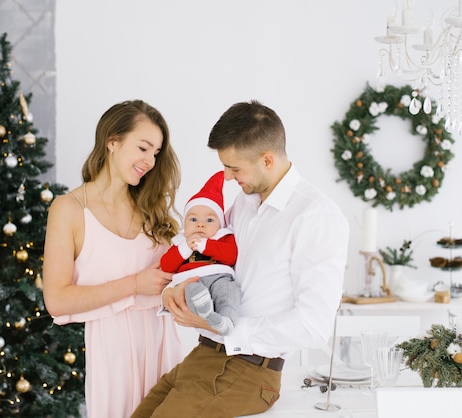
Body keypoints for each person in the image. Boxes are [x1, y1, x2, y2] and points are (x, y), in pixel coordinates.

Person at [132, 100, 349, 418]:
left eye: (234, 168)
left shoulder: (316, 217)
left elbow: (313, 326)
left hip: (249, 372)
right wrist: (175, 290)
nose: (228, 177)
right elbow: (211, 260)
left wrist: (225, 329)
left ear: (267, 160)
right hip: (204, 355)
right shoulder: (245, 202)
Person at [42, 100, 186, 418]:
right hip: (112, 353)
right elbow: (56, 299)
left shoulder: (152, 209)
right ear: (112, 141)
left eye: (156, 153)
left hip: (163, 343)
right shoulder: (68, 209)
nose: (150, 161)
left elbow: (172, 278)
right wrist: (135, 284)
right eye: (143, 148)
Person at [159, 170, 240, 336]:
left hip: (219, 277)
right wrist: (185, 248)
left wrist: (206, 246)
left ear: (220, 224)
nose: (200, 225)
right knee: (192, 291)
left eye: (210, 220)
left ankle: (226, 321)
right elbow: (166, 265)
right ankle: (204, 311)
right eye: (193, 219)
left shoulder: (223, 237)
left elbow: (231, 256)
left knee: (228, 292)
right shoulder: (181, 242)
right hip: (191, 281)